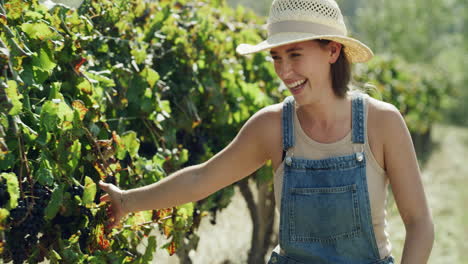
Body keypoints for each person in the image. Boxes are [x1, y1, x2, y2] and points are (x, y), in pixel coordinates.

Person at [99, 0, 434, 263]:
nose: (284, 71)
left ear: (332, 50)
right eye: (276, 57)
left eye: (295, 54)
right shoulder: (271, 127)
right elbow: (201, 180)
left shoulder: (381, 123)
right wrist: (126, 201)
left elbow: (419, 223)